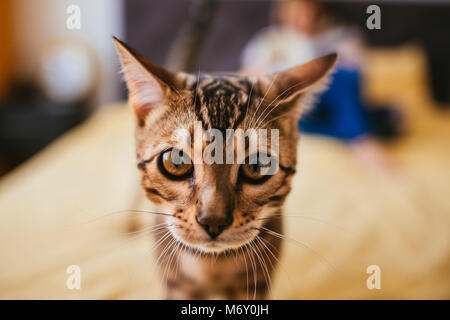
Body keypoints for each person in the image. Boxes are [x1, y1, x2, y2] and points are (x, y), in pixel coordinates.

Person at [241, 0, 400, 170]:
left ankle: (368, 126)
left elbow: (359, 76)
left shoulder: (338, 36)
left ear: (318, 11)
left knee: (342, 76)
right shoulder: (270, 42)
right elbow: (247, 80)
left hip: (329, 102)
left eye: (306, 11)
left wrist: (349, 56)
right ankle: (366, 136)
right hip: (295, 107)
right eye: (294, 11)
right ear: (282, 12)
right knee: (389, 115)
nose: (300, 17)